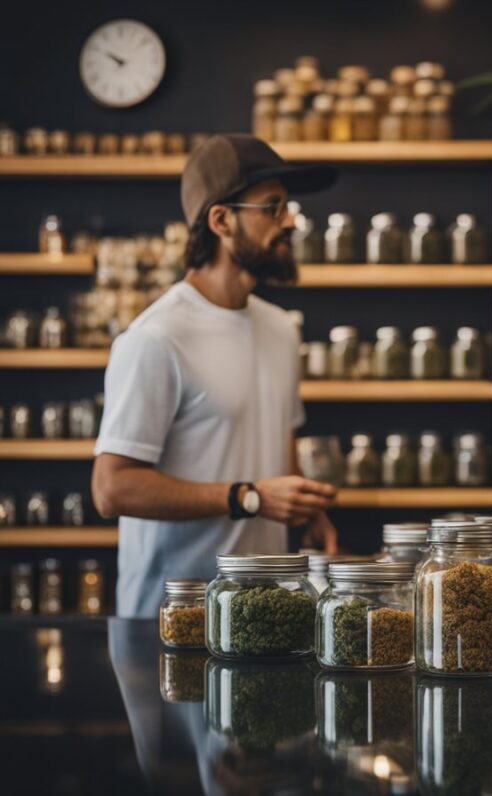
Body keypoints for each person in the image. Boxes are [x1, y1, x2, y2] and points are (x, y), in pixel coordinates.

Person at [92, 134, 340, 617]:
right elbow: (110, 488)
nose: (291, 221)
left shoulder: (279, 329)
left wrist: (309, 510)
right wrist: (248, 497)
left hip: (263, 610)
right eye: (273, 207)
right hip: (172, 617)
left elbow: (278, 433)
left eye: (289, 207)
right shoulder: (156, 338)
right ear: (222, 220)